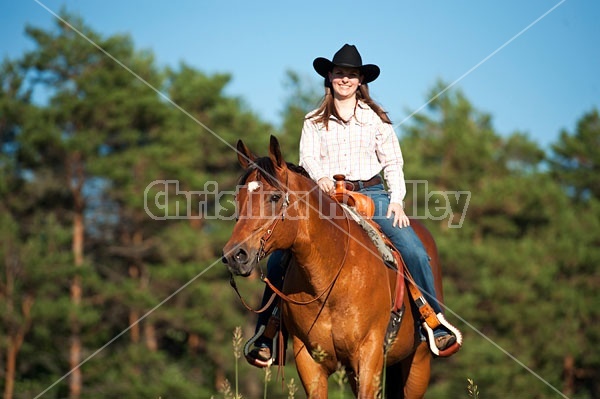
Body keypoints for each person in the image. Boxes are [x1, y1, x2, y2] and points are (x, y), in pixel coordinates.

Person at [247, 44, 456, 365]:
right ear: (329, 77)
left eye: (352, 75)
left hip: (372, 195)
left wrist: (397, 201)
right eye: (340, 73)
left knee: (412, 248)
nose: (345, 79)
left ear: (360, 81)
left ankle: (433, 319)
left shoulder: (376, 119)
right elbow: (307, 159)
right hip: (326, 197)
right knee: (281, 256)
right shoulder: (313, 120)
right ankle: (267, 333)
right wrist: (322, 180)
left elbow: (393, 162)